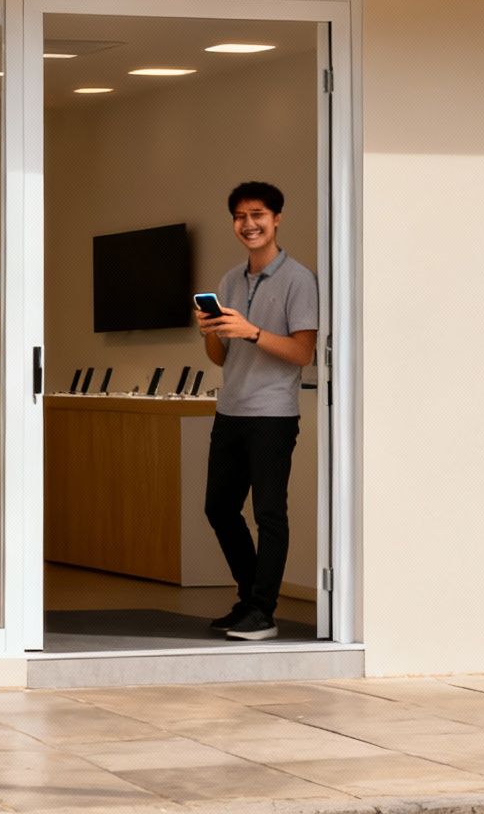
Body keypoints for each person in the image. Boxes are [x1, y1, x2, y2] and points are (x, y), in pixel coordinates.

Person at [196, 180, 318, 641]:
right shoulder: (230, 279)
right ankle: (250, 599)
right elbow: (219, 358)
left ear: (277, 219)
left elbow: (302, 352)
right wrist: (210, 329)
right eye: (240, 217)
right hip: (231, 410)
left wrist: (251, 331)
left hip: (272, 414)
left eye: (258, 215)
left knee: (269, 513)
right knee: (219, 509)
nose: (248, 225)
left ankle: (263, 612)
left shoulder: (299, 280)